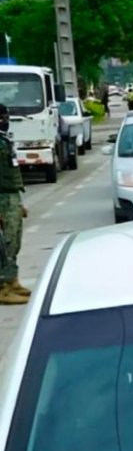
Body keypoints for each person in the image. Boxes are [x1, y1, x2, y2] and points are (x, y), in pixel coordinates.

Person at [0, 105, 30, 306]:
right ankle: (3, 287)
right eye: (2, 117)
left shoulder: (4, 140)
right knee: (5, 245)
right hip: (2, 198)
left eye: (6, 117)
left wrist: (19, 203)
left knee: (15, 241)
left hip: (11, 195)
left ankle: (12, 281)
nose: (5, 121)